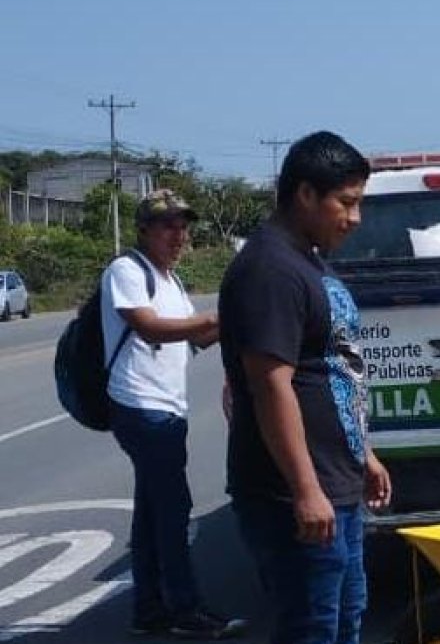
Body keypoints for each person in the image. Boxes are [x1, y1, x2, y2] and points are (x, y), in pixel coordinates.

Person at [219, 131, 392, 644]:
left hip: (337, 481)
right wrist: (305, 490)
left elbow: (331, 367)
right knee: (311, 629)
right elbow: (271, 386)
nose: (355, 218)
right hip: (290, 493)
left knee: (346, 618)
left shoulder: (307, 259)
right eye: (346, 202)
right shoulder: (269, 269)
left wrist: (364, 455)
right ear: (306, 194)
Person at [101, 189, 245, 639]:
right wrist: (215, 318)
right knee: (173, 509)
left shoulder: (171, 280)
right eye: (168, 226)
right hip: (140, 407)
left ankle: (148, 610)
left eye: (183, 227)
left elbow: (196, 338)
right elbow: (148, 327)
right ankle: (185, 608)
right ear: (144, 229)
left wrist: (239, 321)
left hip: (166, 407)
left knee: (151, 512)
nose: (178, 235)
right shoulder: (127, 271)